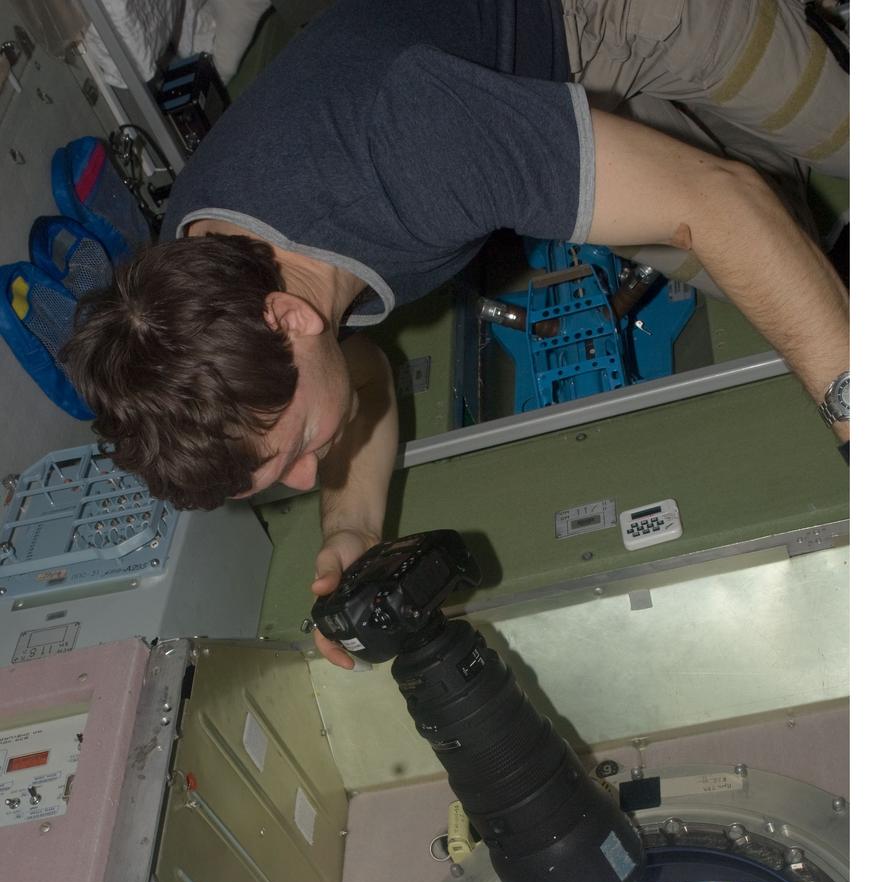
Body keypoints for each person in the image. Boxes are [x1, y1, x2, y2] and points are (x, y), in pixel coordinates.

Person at [62, 0, 849, 668]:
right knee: (760, 255)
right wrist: (352, 526)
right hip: (499, 88)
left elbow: (719, 204)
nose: (306, 477)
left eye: (299, 446)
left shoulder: (407, 149)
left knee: (832, 132)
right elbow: (357, 368)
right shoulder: (197, 279)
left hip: (597, 15)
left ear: (290, 320)